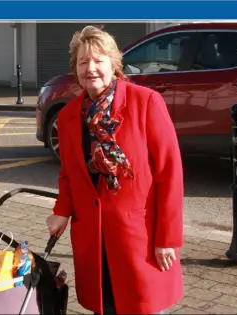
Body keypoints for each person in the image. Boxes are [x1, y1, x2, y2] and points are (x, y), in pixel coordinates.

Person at [46, 25, 184, 315]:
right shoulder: (70, 114)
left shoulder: (144, 102)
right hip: (92, 237)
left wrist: (166, 239)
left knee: (141, 306)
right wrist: (62, 209)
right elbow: (70, 173)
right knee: (105, 306)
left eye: (98, 60)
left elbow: (169, 173)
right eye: (83, 62)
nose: (90, 68)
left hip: (138, 236)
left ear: (114, 63)